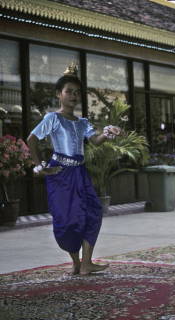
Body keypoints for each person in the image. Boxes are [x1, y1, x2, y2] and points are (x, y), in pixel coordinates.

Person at [27, 62, 126, 276]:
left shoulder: (82, 122)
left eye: (77, 92)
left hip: (80, 174)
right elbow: (31, 139)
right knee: (67, 219)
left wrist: (110, 131)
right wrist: (40, 167)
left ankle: (86, 263)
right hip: (60, 173)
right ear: (58, 94)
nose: (73, 95)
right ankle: (76, 262)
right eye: (68, 91)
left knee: (93, 212)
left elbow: (96, 141)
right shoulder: (52, 118)